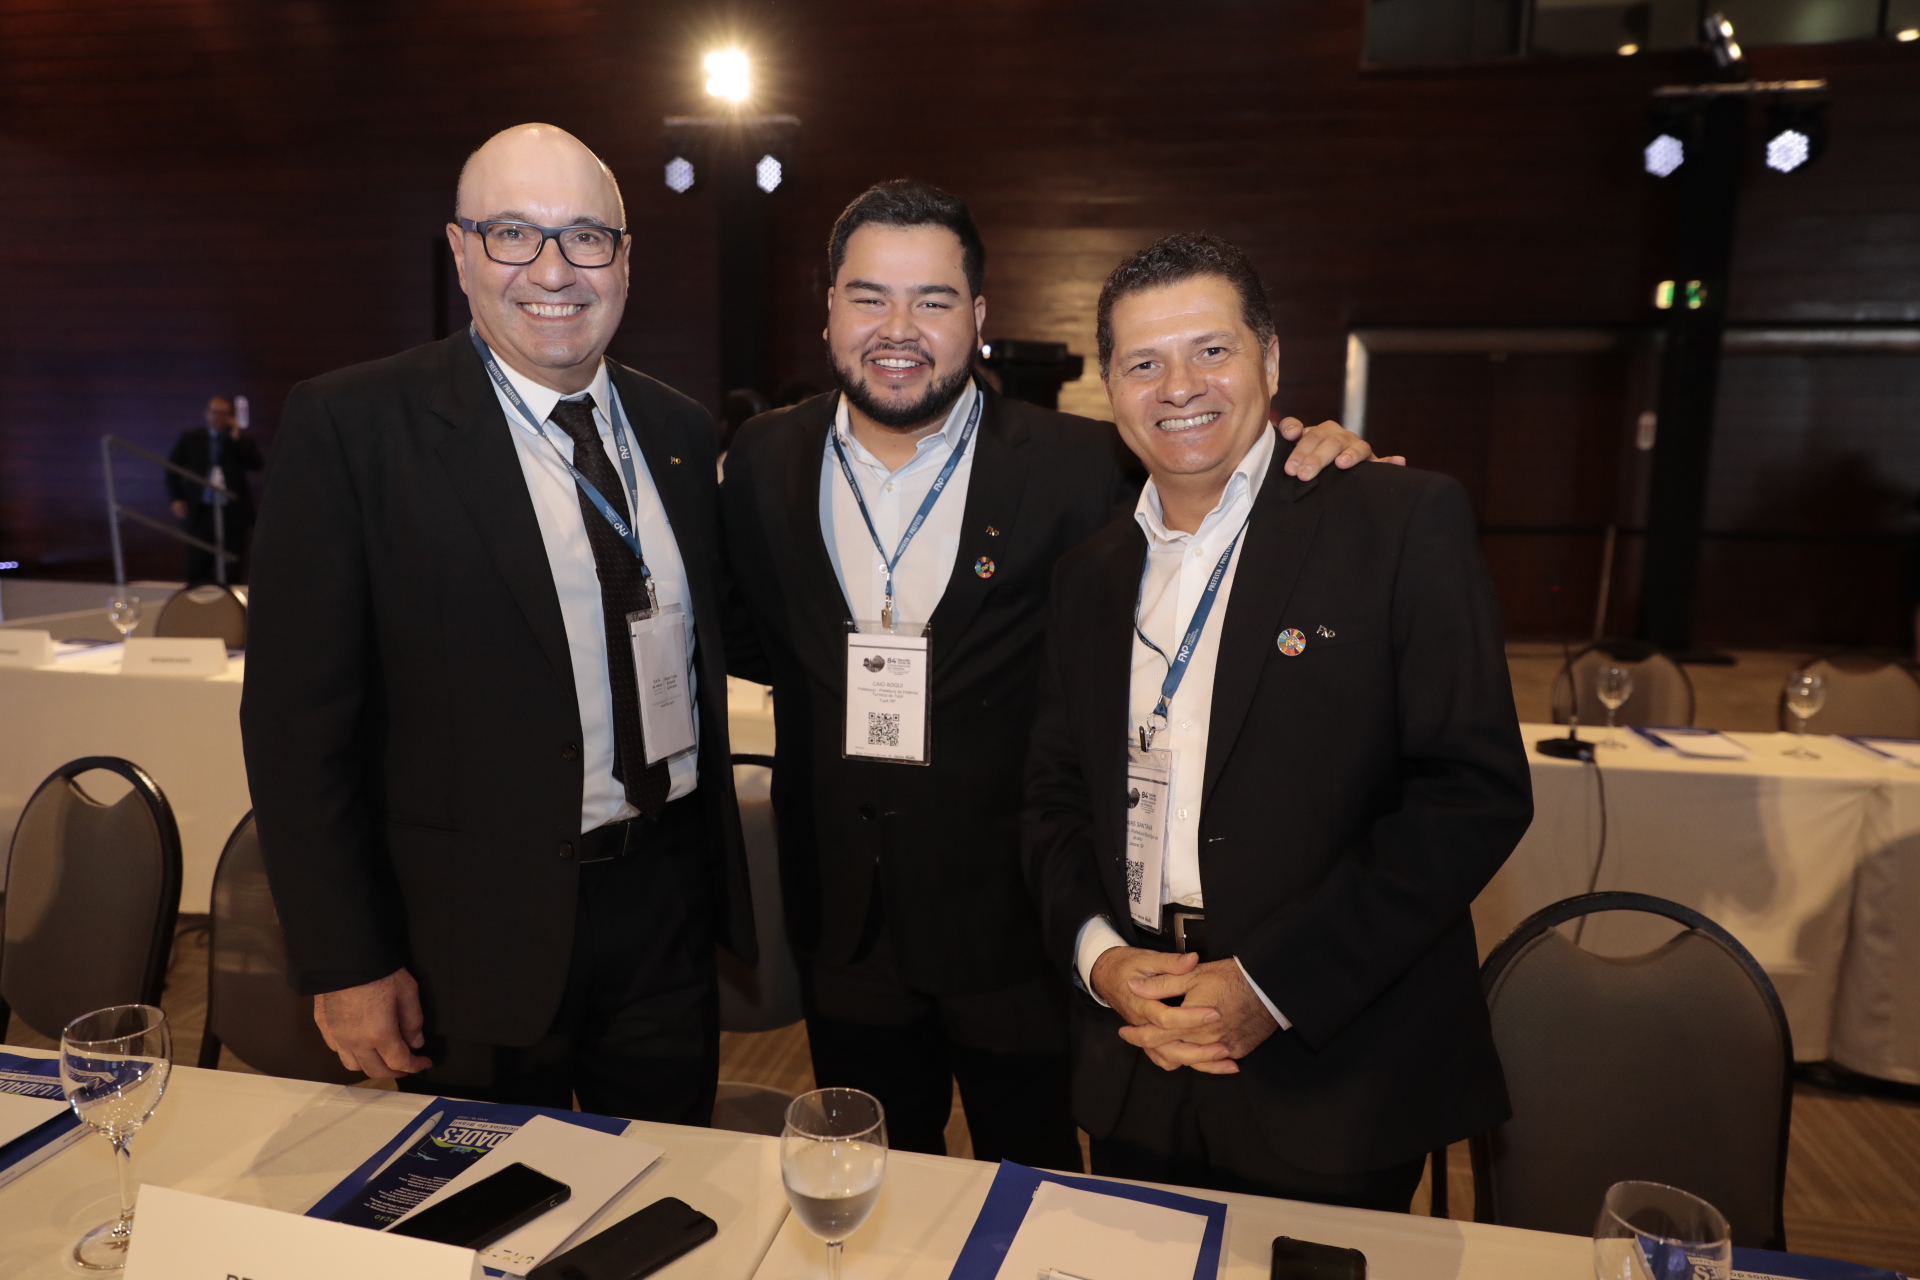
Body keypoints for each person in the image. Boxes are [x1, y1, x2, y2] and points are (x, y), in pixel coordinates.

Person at [721, 182, 1383, 1167]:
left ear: (979, 316)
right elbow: (751, 640)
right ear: (828, 311)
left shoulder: (1085, 466)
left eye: (933, 299)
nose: (899, 329)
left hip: (1022, 927)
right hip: (844, 923)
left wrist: (1315, 455)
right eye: (869, 297)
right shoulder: (763, 457)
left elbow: (1217, 498)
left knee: (1035, 1186)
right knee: (871, 1179)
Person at [240, 124, 754, 1123]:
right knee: (477, 1200)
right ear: (461, 249)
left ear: (625, 259)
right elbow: (296, 730)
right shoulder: (353, 428)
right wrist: (347, 959)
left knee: (665, 1187)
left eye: (586, 237)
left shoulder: (680, 432)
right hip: (464, 940)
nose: (554, 271)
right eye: (514, 233)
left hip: (664, 911)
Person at [1023, 233, 1532, 1207]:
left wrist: (1269, 984)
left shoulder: (1396, 520)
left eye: (1211, 350)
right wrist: (1102, 959)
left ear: (1271, 359)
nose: (1180, 386)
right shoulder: (1087, 576)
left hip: (1335, 1064)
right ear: (1111, 388)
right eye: (1144, 363)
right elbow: (1050, 798)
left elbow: (1472, 795)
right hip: (1138, 1047)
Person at [167, 395, 263, 583]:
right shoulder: (191, 438)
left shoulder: (240, 440)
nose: (218, 417)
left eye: (223, 413)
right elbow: (172, 469)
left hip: (232, 511)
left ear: (230, 417)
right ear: (207, 413)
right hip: (202, 509)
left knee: (232, 565)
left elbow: (255, 464)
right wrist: (176, 498)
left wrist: (236, 437)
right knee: (198, 564)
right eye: (214, 412)